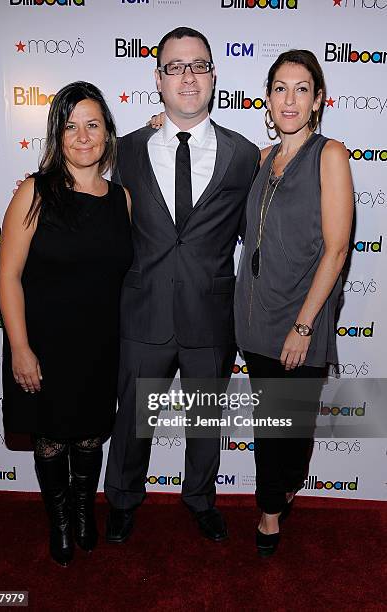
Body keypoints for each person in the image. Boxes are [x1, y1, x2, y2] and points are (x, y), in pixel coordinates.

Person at [103, 27, 260, 543]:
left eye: (197, 65)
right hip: (142, 312)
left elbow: (258, 231)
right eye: (175, 66)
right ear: (158, 79)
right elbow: (84, 196)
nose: (187, 76)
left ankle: (200, 500)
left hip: (209, 317)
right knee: (132, 423)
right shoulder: (123, 151)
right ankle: (122, 501)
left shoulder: (245, 154)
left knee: (205, 423)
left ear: (213, 75)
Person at [0, 81, 133, 566]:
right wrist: (20, 347)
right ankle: (58, 519)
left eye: (92, 125)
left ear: (107, 134)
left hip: (98, 347)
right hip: (44, 345)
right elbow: (8, 276)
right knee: (52, 439)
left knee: (92, 435)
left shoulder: (122, 200)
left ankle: (82, 512)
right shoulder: (36, 192)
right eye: (70, 126)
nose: (82, 136)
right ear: (57, 136)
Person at [234, 50, 354, 556]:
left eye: (301, 88)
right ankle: (269, 513)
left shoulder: (330, 154)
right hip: (256, 316)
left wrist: (303, 327)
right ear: (267, 99)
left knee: (293, 431)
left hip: (302, 316)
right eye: (280, 88)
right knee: (270, 425)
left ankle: (279, 494)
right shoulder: (262, 158)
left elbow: (337, 247)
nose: (290, 98)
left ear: (318, 100)